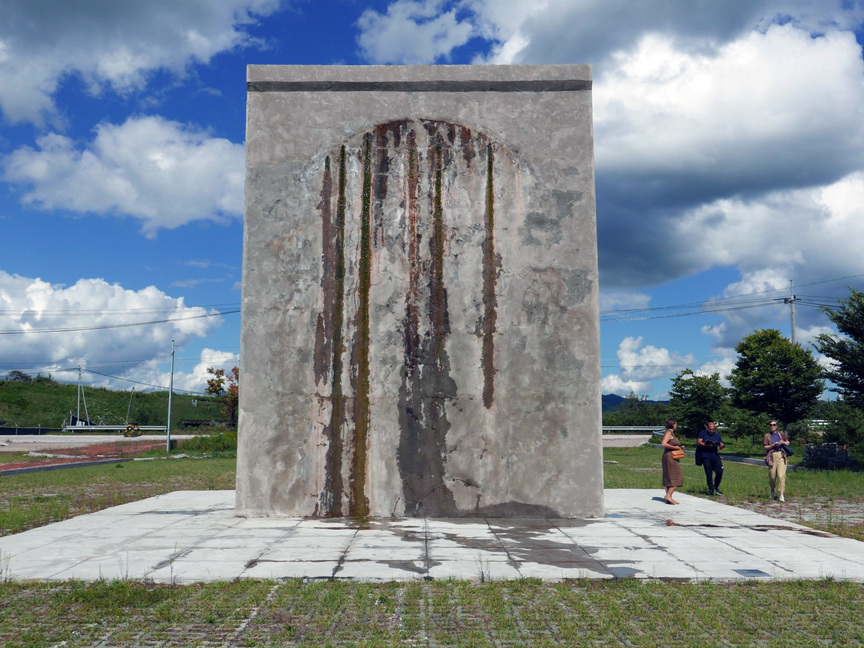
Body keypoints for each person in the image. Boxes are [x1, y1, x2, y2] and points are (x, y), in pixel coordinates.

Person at [763, 420, 791, 502]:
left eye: (774, 425)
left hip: (781, 455)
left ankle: (781, 495)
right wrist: (773, 445)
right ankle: (772, 491)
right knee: (772, 476)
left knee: (781, 475)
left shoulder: (781, 434)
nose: (772, 426)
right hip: (772, 456)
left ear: (777, 426)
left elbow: (788, 442)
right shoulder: (767, 436)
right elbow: (765, 447)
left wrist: (783, 442)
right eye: (771, 425)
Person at [697, 421, 725, 496]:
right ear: (707, 428)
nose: (712, 431)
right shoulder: (703, 433)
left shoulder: (717, 435)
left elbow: (721, 446)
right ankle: (710, 490)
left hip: (715, 456)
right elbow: (699, 442)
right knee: (709, 474)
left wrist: (721, 445)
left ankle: (716, 486)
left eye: (713, 430)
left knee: (720, 471)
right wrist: (706, 445)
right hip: (706, 456)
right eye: (710, 429)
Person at [660, 418, 684, 505]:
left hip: (671, 456)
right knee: (676, 476)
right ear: (673, 424)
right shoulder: (669, 432)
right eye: (676, 424)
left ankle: (669, 497)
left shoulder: (671, 433)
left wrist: (680, 448)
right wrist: (676, 448)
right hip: (670, 457)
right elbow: (664, 443)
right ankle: (668, 495)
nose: (676, 425)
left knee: (669, 476)